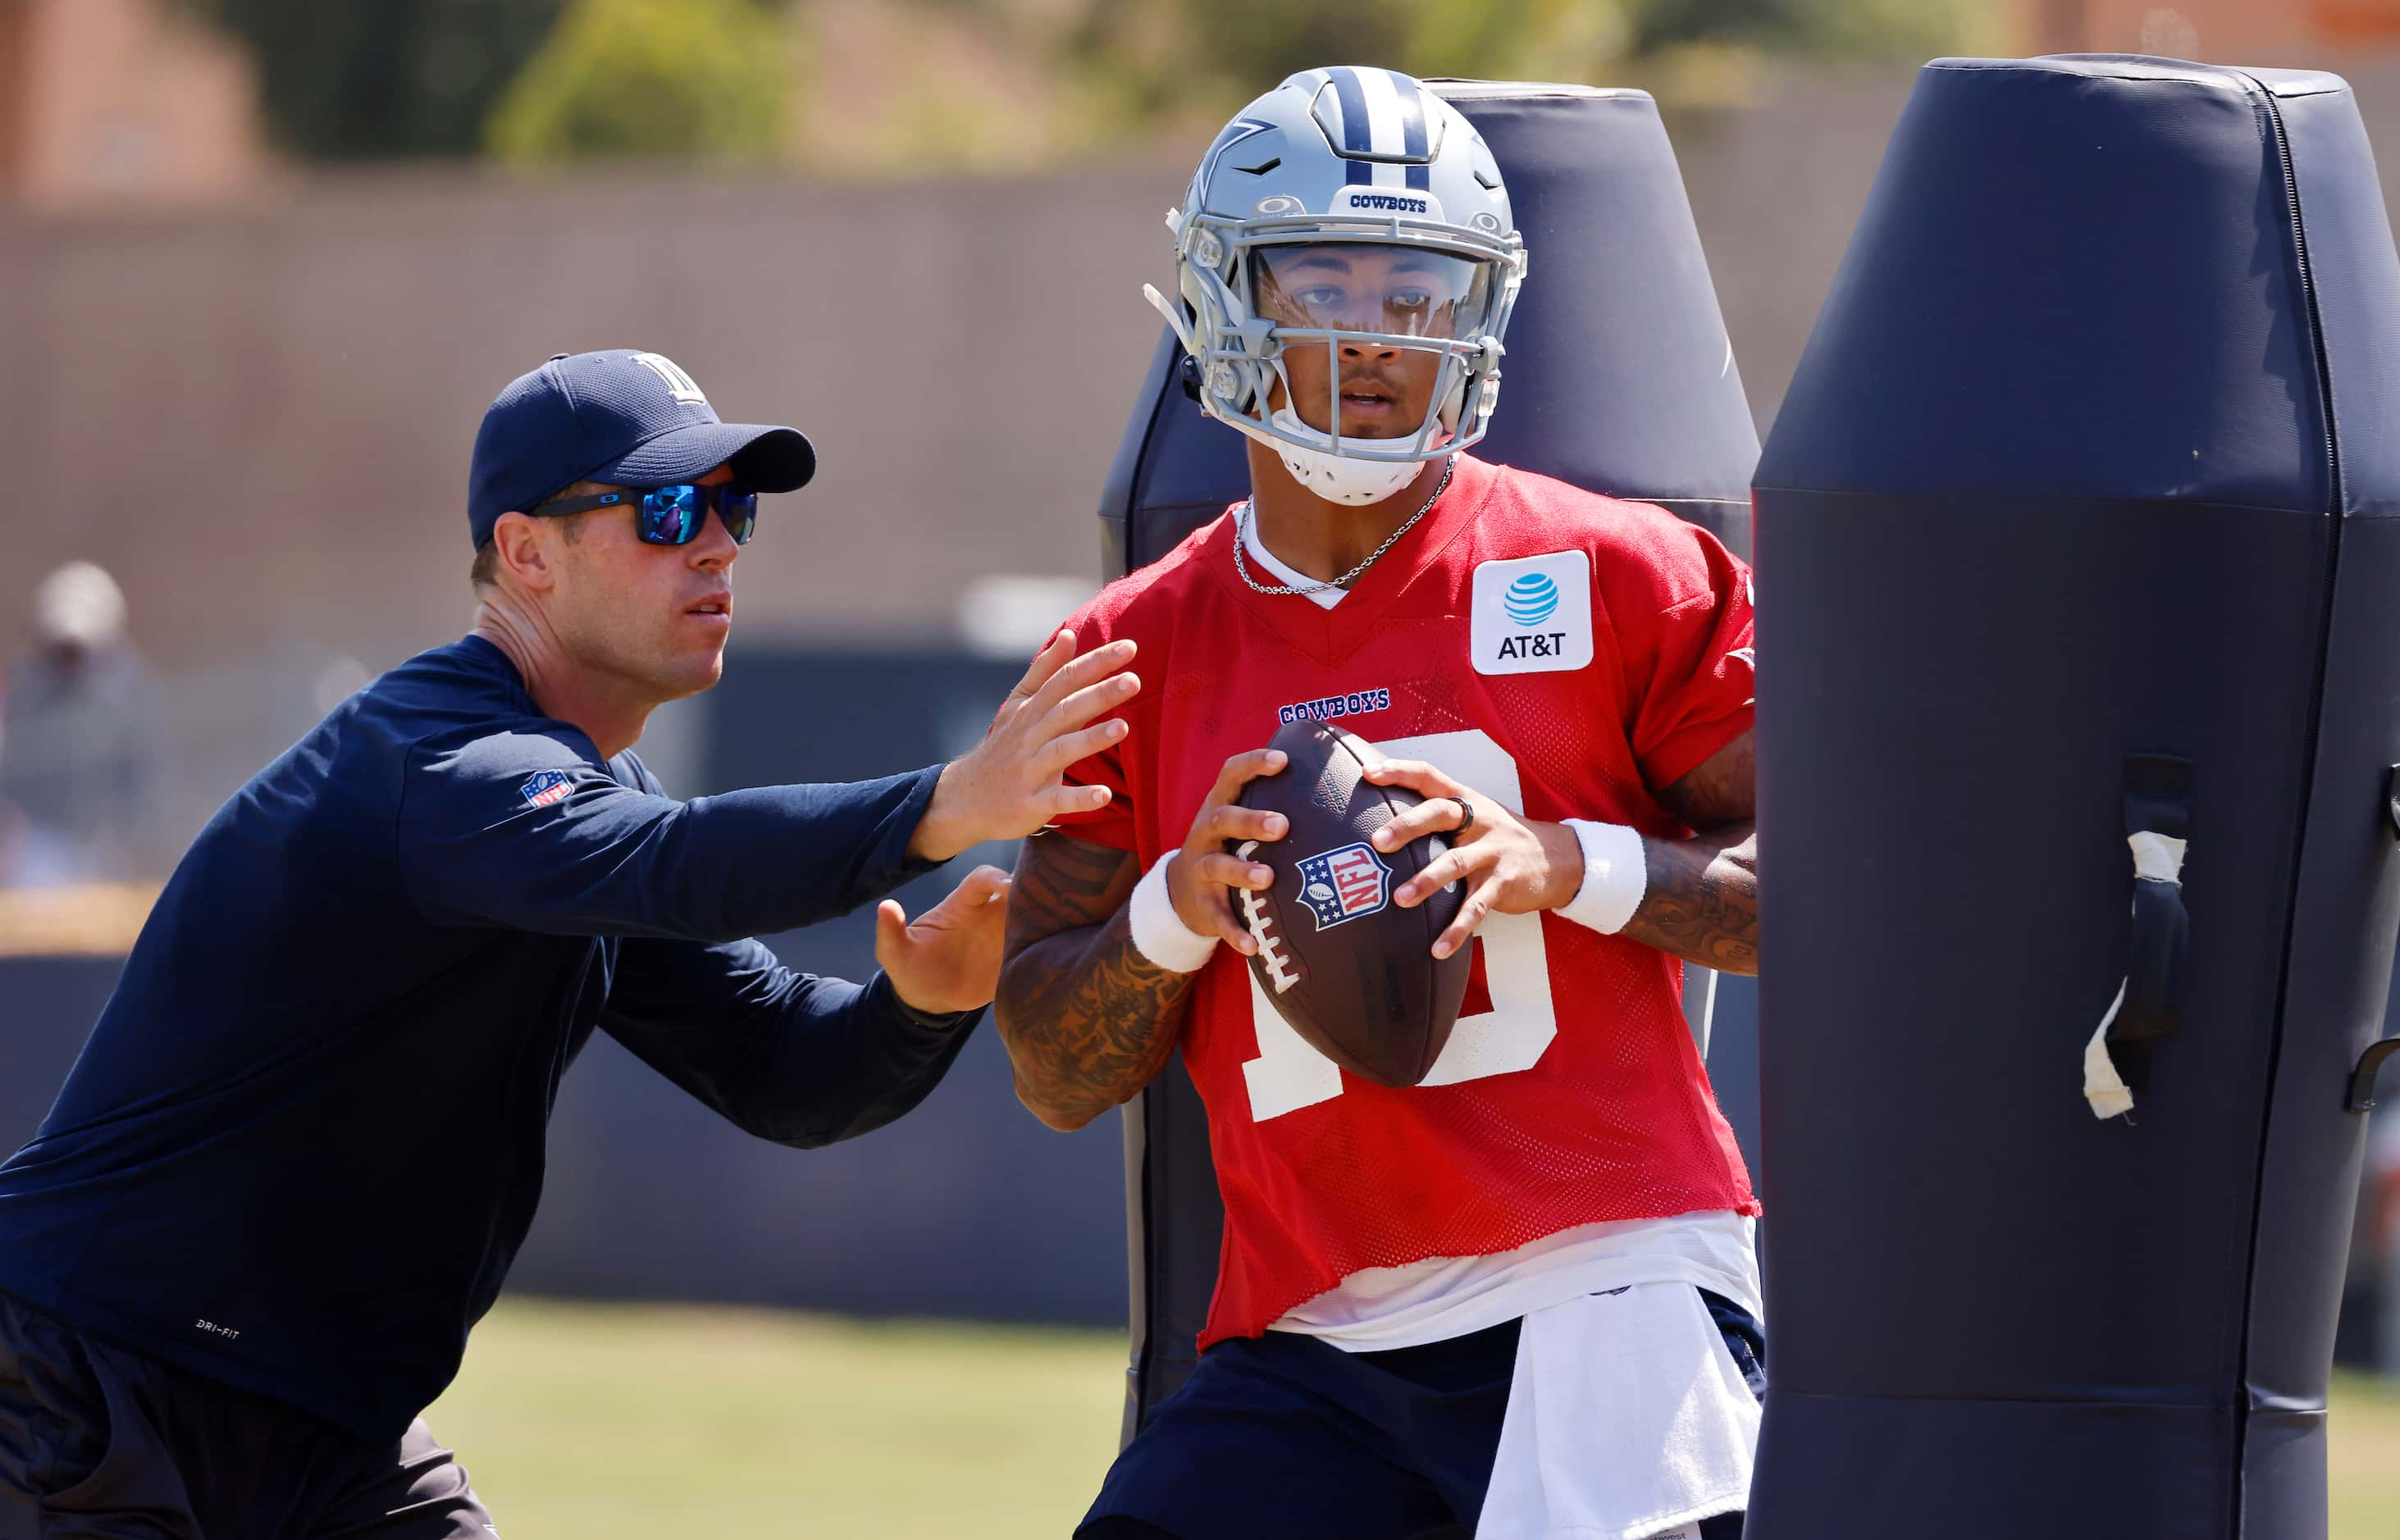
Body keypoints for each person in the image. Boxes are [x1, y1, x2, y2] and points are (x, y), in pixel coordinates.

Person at [0, 349, 1137, 1539]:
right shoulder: (442, 762)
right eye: (664, 508)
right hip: (91, 1382)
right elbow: (677, 861)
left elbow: (786, 1072)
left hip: (327, 1423)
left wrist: (922, 1006)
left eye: (731, 508)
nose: (717, 544)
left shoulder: (576, 811)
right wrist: (951, 800)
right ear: (528, 553)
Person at [995, 70, 1763, 1539]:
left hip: (1602, 1281)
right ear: (1225, 297)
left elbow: (1829, 890)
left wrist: (1569, 861)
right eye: (1319, 278)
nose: (1369, 332)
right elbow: (1050, 1066)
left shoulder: (1619, 570)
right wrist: (1176, 907)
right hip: (1312, 1327)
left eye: (1418, 289)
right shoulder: (1123, 652)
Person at [0, 562, 167, 886]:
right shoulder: (26, 689)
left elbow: (141, 772)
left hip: (102, 841)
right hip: (40, 838)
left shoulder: (127, 695)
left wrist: (130, 832)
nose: (70, 659)